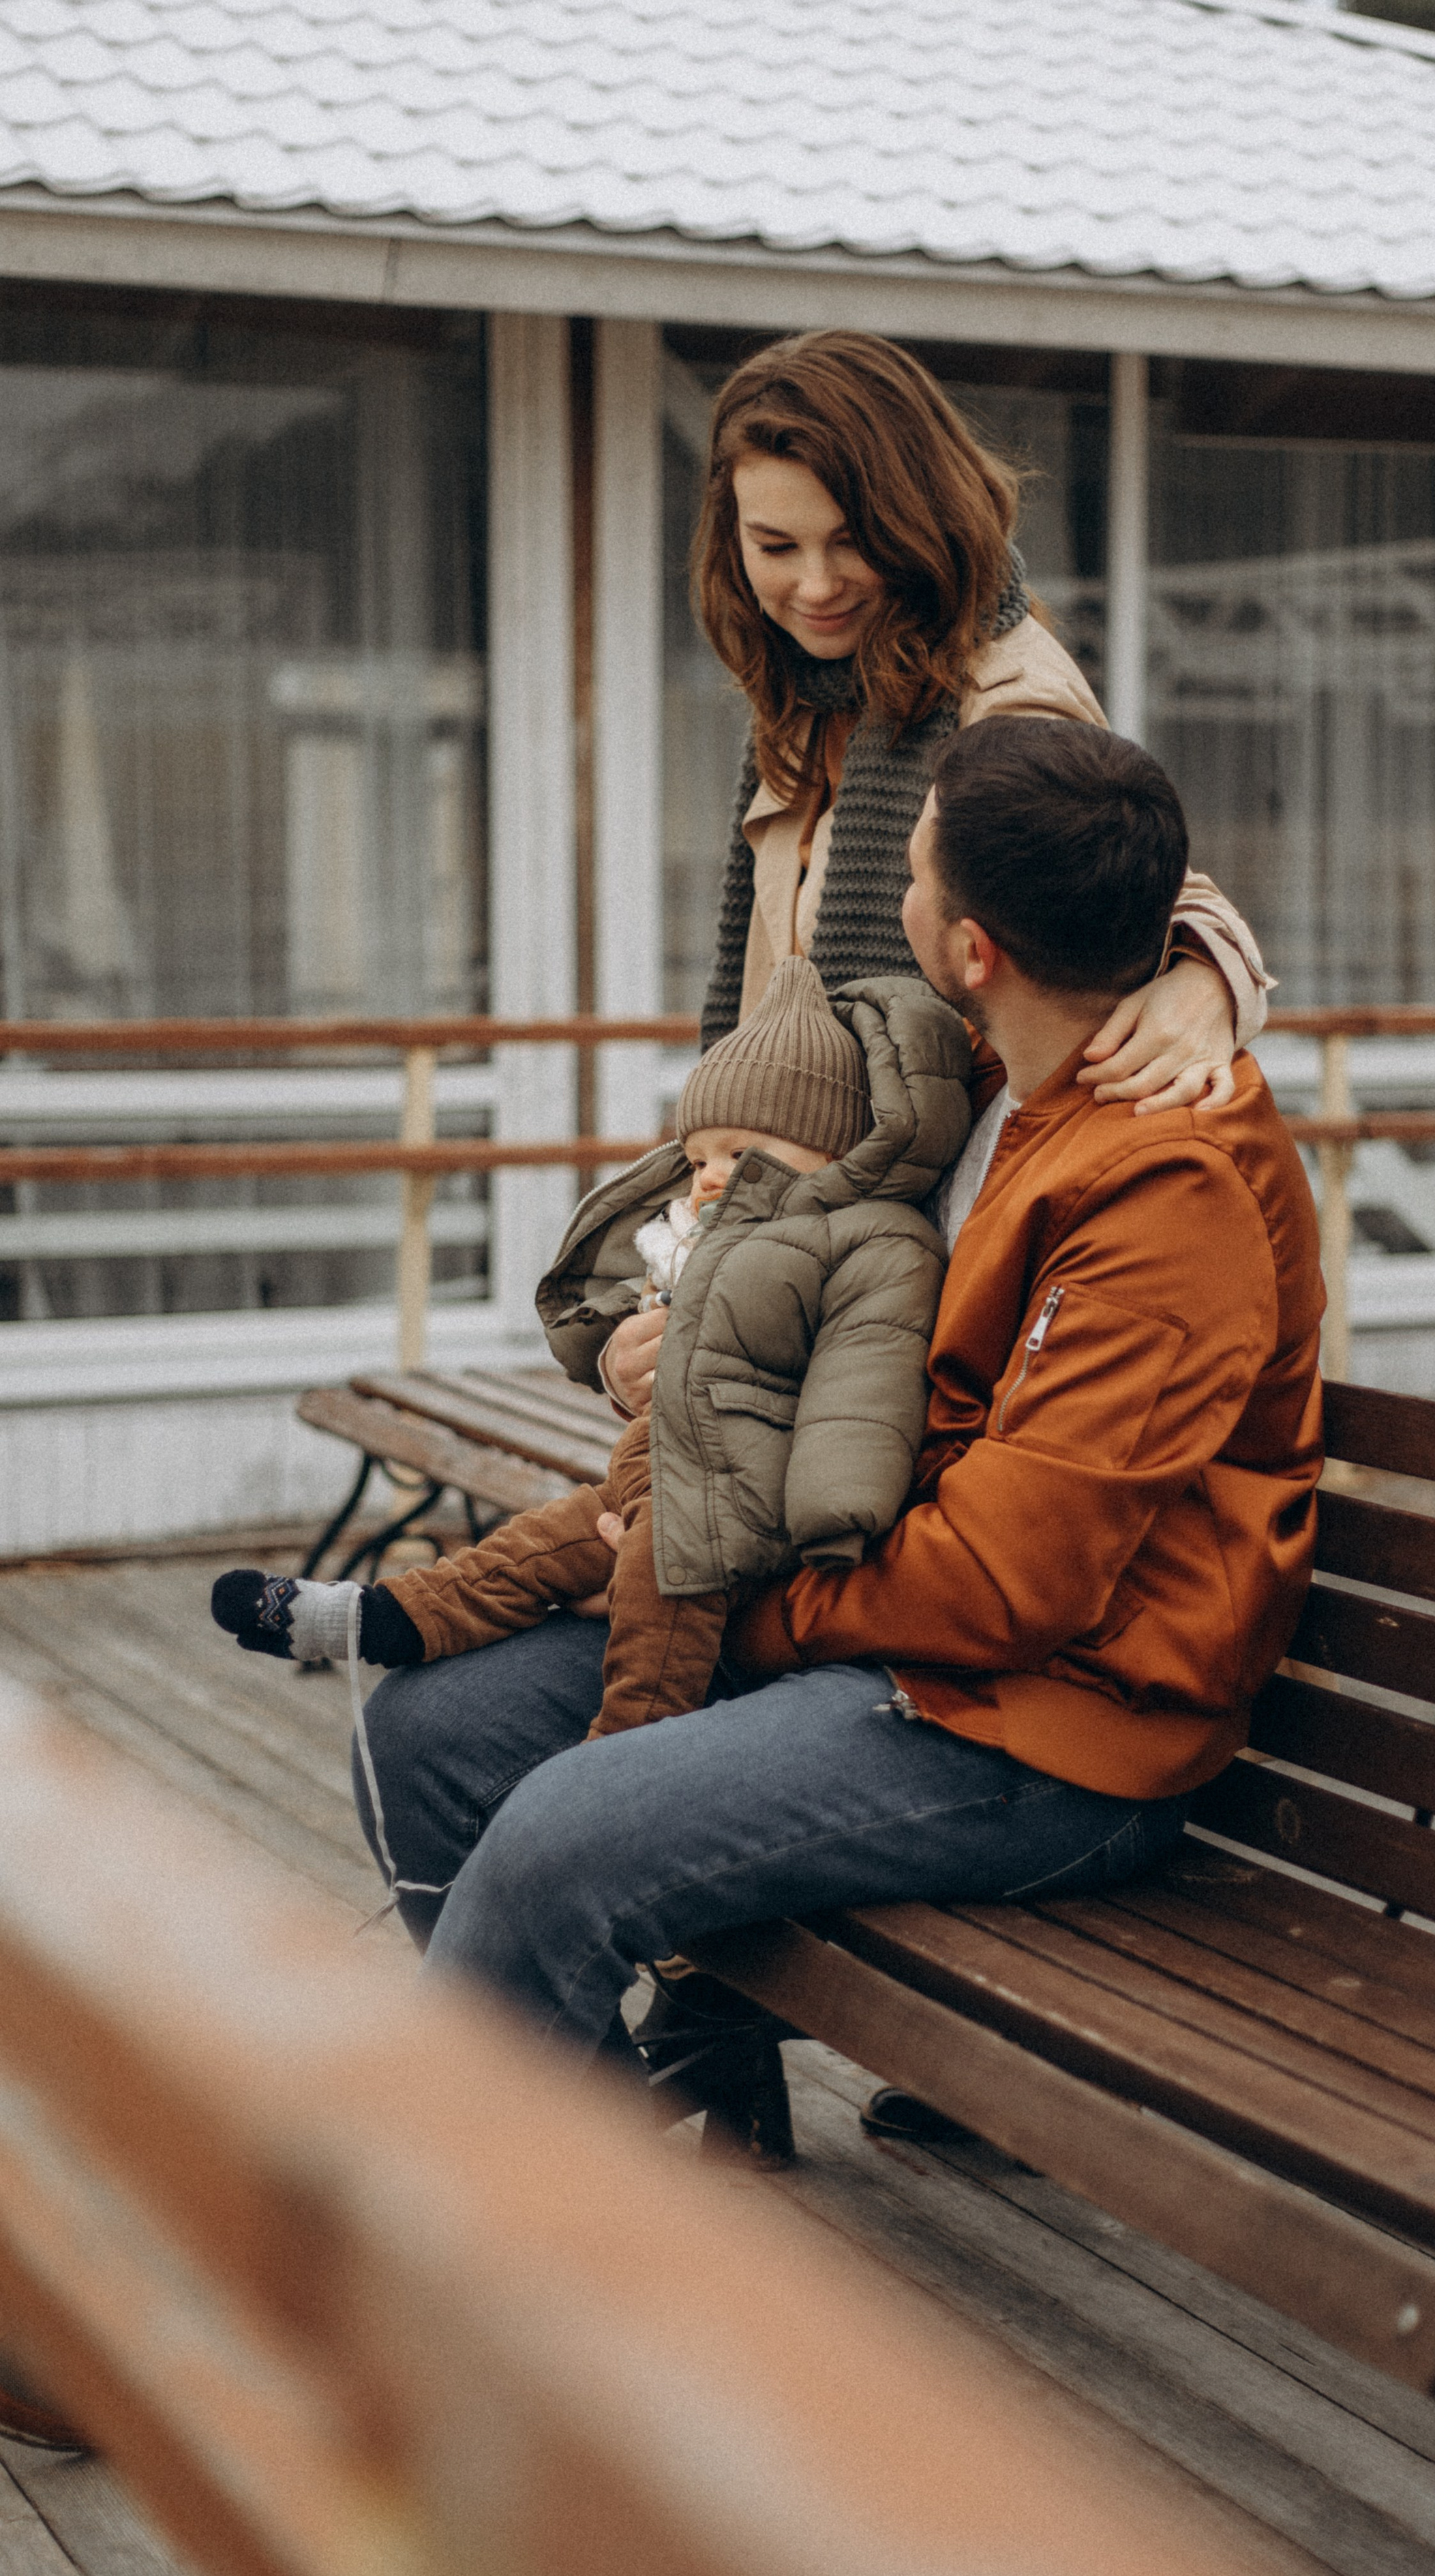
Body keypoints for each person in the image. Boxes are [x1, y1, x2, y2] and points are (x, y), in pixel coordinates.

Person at [355, 715, 1323, 2101]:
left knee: (560, 1835)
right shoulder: (981, 1074)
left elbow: (1004, 1584)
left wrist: (715, 1598)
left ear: (973, 945)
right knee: (430, 1732)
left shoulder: (1167, 1190)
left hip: (1048, 1733)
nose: (895, 898)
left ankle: (515, 2254)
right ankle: (593, 2194)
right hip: (878, 1618)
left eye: (917, 877)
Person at [599, 329, 1273, 1435]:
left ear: (918, 521)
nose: (814, 584)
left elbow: (1118, 872)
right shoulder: (813, 695)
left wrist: (1205, 969)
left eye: (853, 542)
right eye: (776, 545)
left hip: (919, 1295)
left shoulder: (1005, 696)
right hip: (813, 1255)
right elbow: (771, 1054)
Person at [211, 957, 971, 1743]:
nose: (712, 1177)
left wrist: (834, 1513)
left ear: (830, 1143)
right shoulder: (712, 1238)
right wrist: (611, 1347)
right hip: (656, 1475)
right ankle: (374, 1618)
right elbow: (632, 1310)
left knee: (658, 1613)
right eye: (700, 1156)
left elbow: (864, 1381)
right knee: (529, 1549)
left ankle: (616, 1758)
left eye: (740, 1155)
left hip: (745, 1498)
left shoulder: (875, 1240)